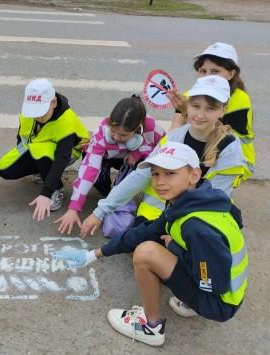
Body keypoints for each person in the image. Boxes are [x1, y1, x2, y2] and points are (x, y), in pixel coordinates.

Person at [53, 142, 247, 347]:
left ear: (194, 175)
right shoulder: (196, 200)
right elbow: (142, 232)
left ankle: (150, 327)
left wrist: (174, 248)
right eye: (155, 174)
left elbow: (212, 284)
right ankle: (188, 302)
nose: (160, 182)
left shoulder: (195, 226)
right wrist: (93, 254)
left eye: (170, 173)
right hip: (219, 283)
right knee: (144, 240)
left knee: (146, 253)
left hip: (218, 301)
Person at [79, 75, 250, 238]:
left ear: (223, 110)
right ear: (187, 106)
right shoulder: (173, 138)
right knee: (138, 248)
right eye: (196, 106)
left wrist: (173, 228)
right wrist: (100, 212)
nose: (200, 115)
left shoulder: (230, 147)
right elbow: (141, 175)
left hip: (202, 213)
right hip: (159, 208)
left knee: (178, 249)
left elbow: (213, 196)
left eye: (210, 108)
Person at [55, 95, 165, 235]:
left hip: (132, 159)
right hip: (108, 157)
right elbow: (89, 170)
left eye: (123, 135)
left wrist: (139, 153)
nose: (117, 138)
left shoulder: (152, 127)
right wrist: (73, 208)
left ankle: (120, 195)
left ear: (138, 128)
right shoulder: (102, 132)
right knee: (100, 183)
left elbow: (163, 149)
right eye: (113, 131)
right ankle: (111, 197)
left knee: (139, 175)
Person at [0, 78, 89, 221]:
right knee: (5, 169)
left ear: (53, 102)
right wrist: (26, 161)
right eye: (33, 110)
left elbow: (61, 158)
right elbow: (21, 138)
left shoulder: (66, 120)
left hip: (66, 154)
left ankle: (56, 188)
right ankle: (43, 171)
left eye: (41, 111)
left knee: (42, 152)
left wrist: (46, 193)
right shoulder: (28, 113)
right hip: (37, 150)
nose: (37, 115)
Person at [168, 42, 254, 179]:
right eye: (203, 71)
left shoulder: (240, 98)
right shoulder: (190, 94)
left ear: (231, 73)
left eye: (215, 71)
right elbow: (173, 132)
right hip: (198, 153)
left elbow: (216, 132)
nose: (208, 76)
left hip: (235, 159)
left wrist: (186, 111)